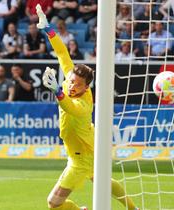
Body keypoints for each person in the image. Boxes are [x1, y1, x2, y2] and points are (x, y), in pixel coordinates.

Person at [36, 5, 139, 210]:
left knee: (53, 203)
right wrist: (49, 29)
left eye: (78, 85)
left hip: (80, 156)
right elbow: (62, 53)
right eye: (71, 81)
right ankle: (132, 208)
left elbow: (71, 108)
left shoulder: (84, 103)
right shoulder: (69, 81)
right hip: (87, 144)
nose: (73, 86)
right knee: (101, 179)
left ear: (87, 87)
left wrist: (58, 92)